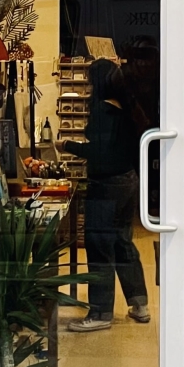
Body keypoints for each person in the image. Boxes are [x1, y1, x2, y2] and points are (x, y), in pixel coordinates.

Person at [61, 58, 150, 331]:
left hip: (107, 184)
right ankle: (139, 303)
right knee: (123, 242)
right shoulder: (127, 106)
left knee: (99, 245)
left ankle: (100, 314)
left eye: (89, 81)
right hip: (129, 180)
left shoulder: (101, 110)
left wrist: (67, 145)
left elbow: (100, 153)